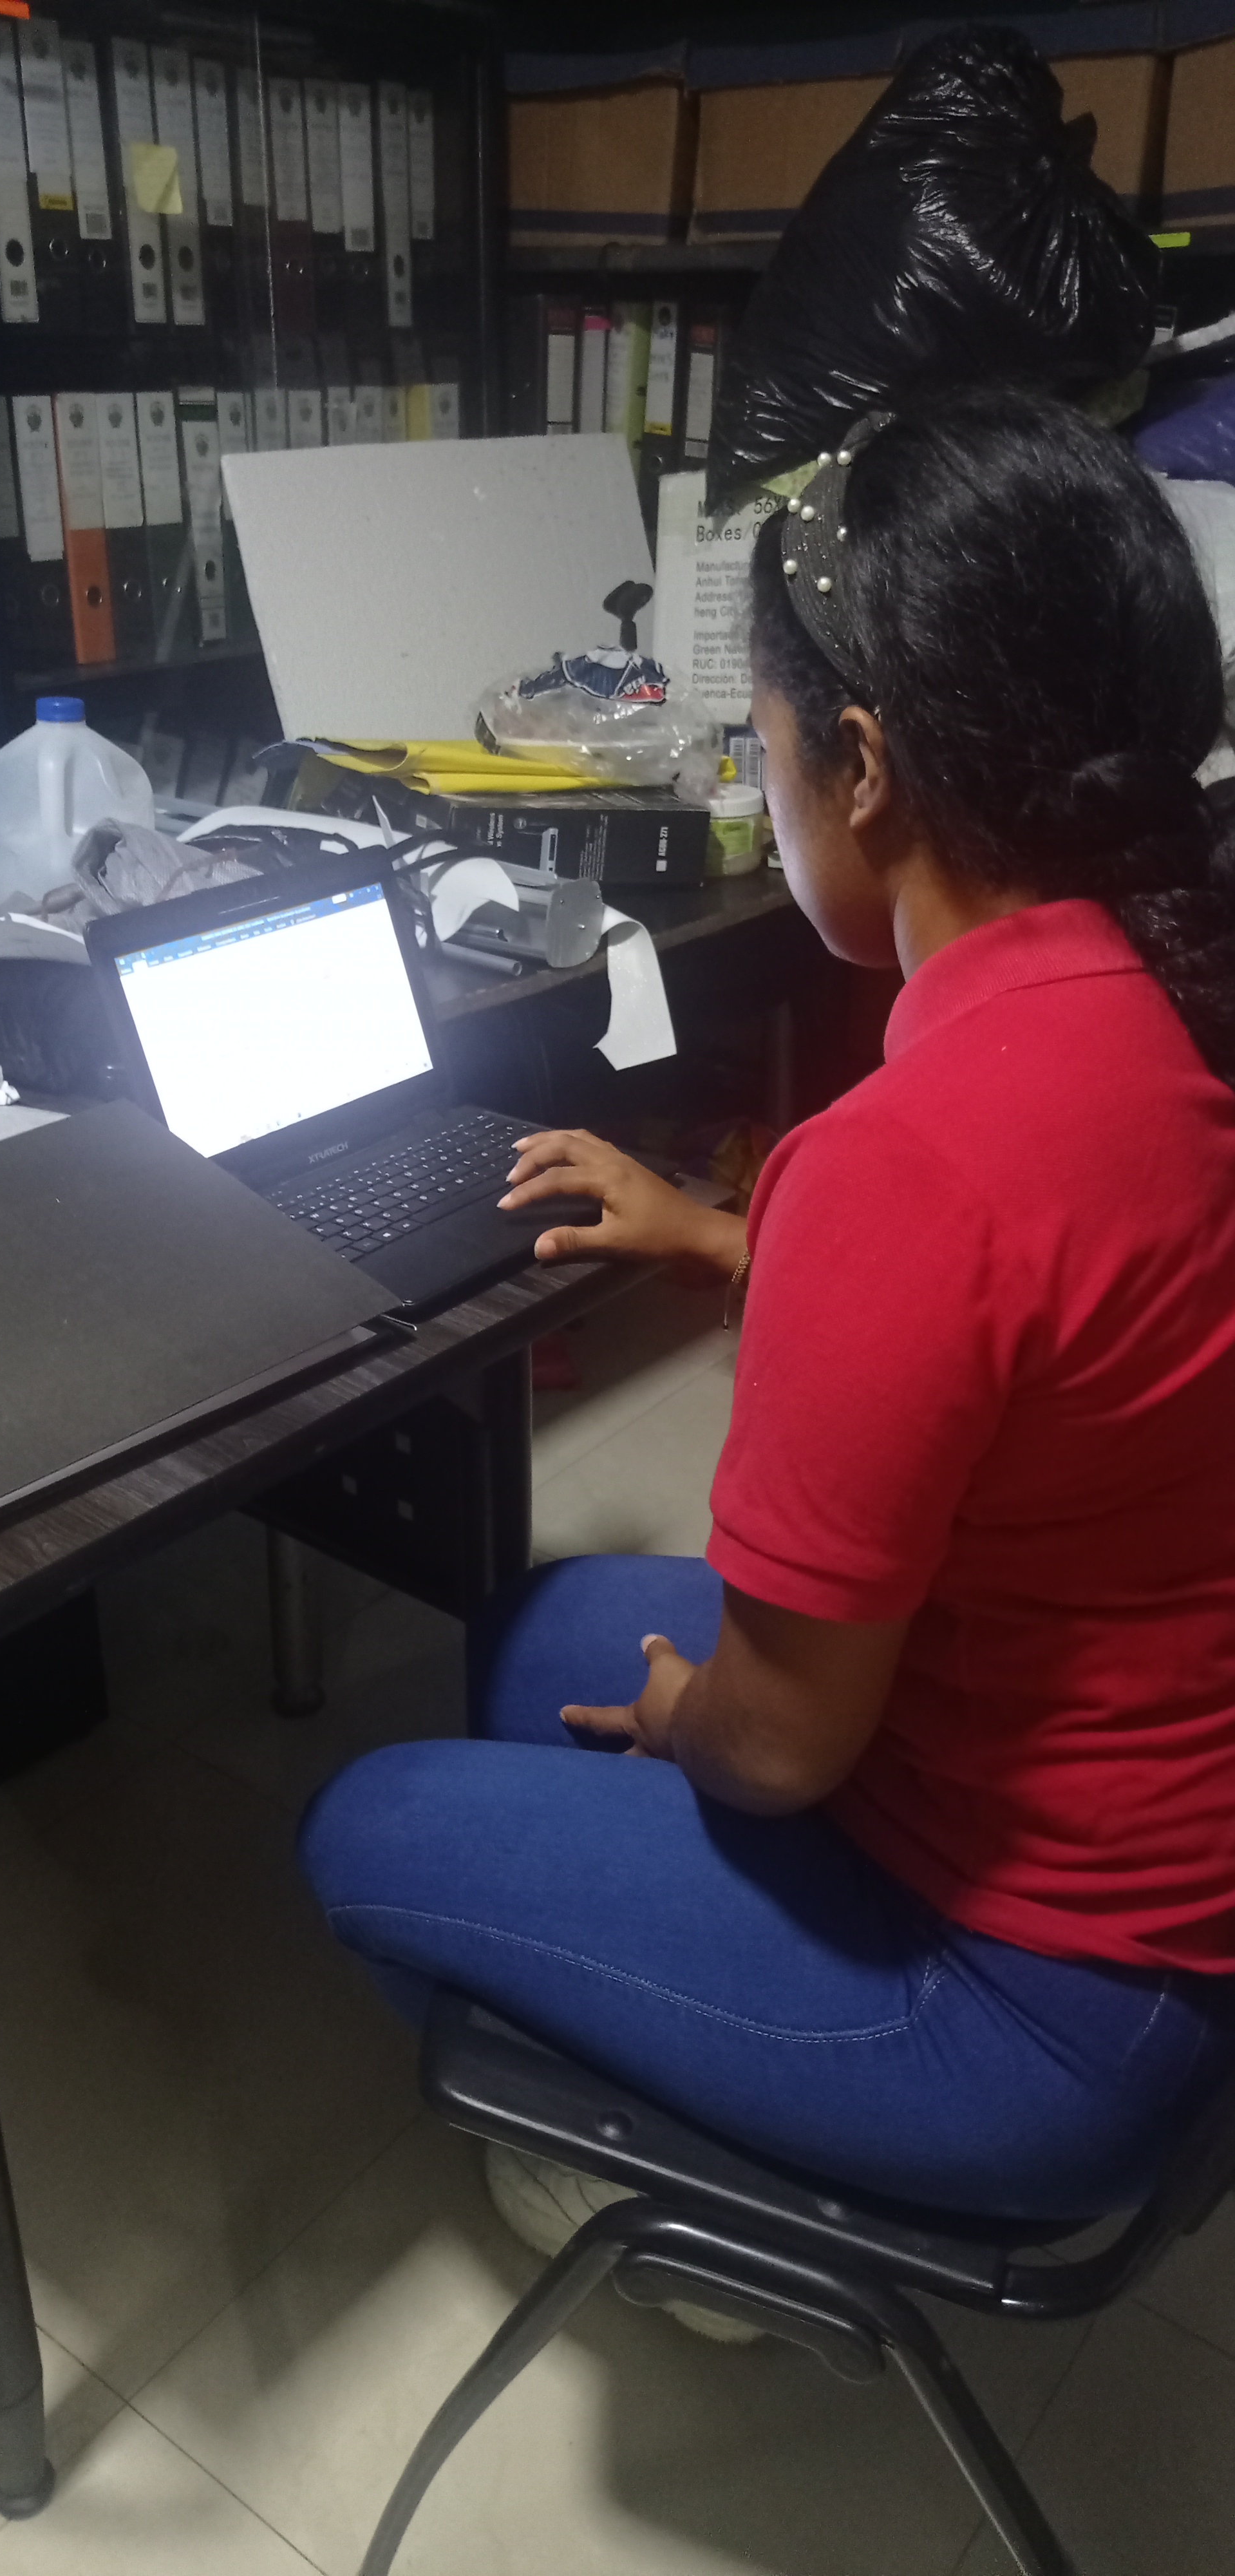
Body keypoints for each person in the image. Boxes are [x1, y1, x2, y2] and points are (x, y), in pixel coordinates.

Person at [300, 386, 1235, 2226]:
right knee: (529, 1630)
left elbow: (783, 1747)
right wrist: (735, 1243)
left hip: (1033, 2002)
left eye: (763, 738)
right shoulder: (1160, 1002)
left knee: (362, 1830)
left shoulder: (909, 1162)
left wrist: (685, 1723)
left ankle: (685, 2221)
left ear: (861, 766)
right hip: (1163, 1864)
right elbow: (1050, 1336)